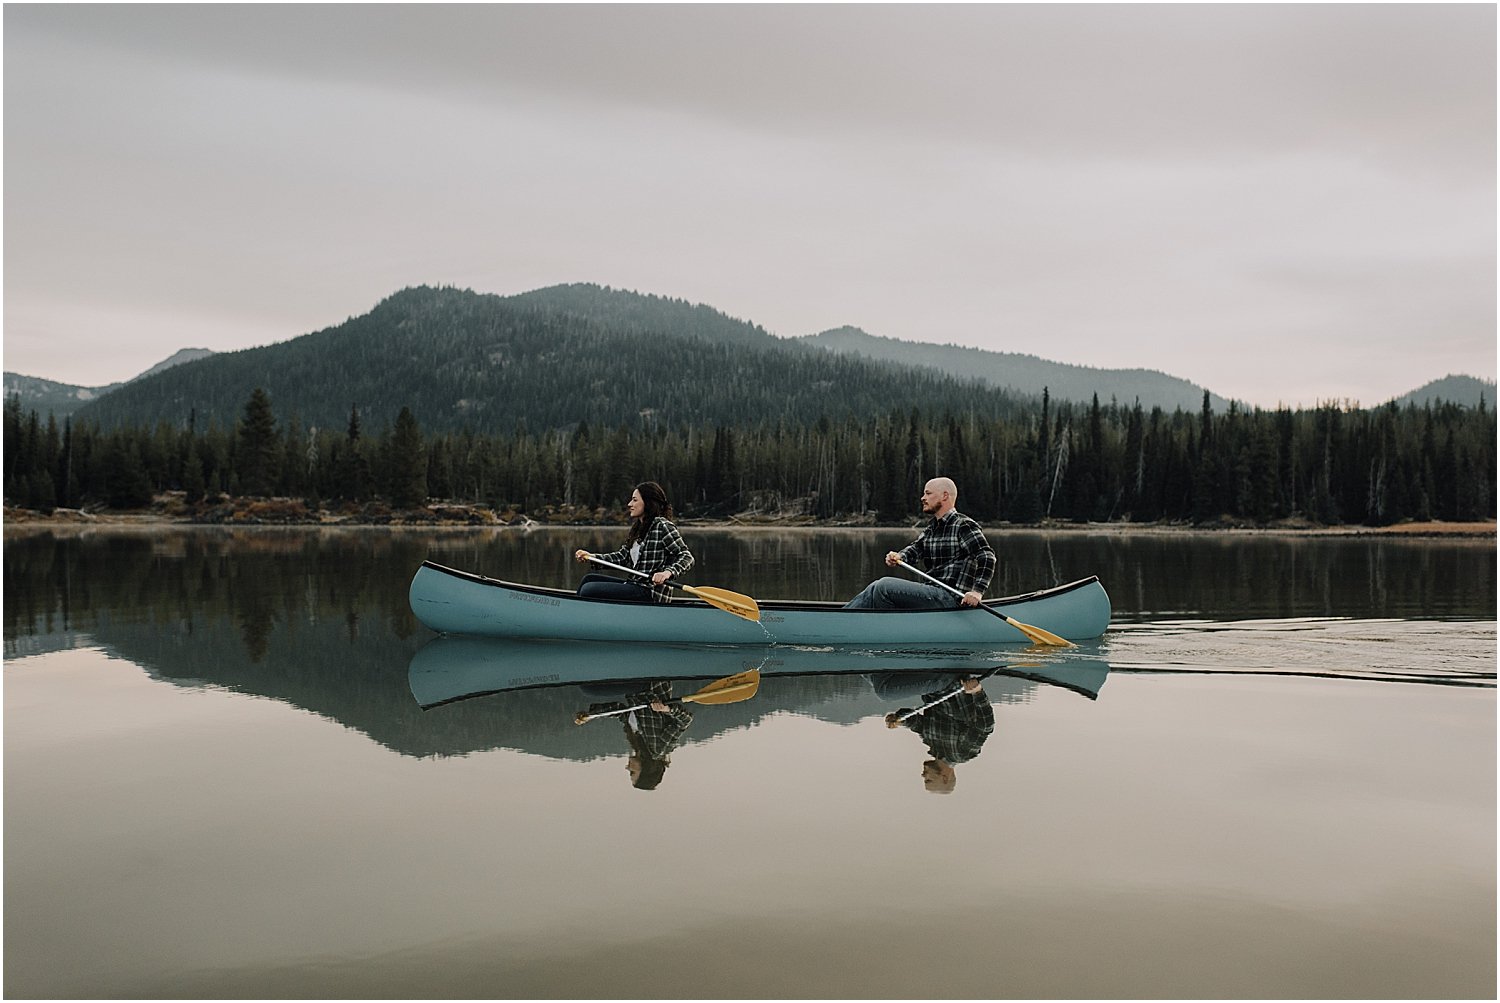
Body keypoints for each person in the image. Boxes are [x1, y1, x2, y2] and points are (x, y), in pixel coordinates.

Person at [844, 476, 996, 610]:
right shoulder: (932, 528)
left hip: (952, 597)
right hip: (931, 593)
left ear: (944, 496)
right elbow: (915, 550)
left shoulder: (963, 525)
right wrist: (900, 556)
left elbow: (987, 556)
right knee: (876, 593)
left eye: (928, 493)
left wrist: (977, 592)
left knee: (883, 587)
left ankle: (843, 620)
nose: (923, 498)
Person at [573, 481, 694, 603]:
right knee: (588, 579)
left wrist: (667, 573)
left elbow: (686, 557)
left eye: (635, 500)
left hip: (650, 592)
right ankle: (575, 612)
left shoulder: (662, 526)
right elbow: (622, 557)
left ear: (648, 502)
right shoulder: (638, 528)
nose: (629, 504)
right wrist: (592, 557)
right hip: (634, 585)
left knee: (589, 589)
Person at [880, 674, 995, 795]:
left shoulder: (933, 746)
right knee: (884, 691)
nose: (923, 775)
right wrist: (978, 692)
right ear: (945, 778)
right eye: (928, 780)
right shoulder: (961, 754)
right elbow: (985, 727)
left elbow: (916, 723)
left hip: (932, 688)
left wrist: (899, 720)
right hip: (950, 685)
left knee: (876, 681)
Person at [579, 681, 693, 791]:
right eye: (632, 772)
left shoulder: (637, 744)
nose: (628, 768)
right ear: (646, 770)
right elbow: (685, 720)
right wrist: (667, 709)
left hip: (635, 689)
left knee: (589, 688)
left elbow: (622, 711)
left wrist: (591, 715)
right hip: (650, 687)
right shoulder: (660, 748)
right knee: (590, 689)